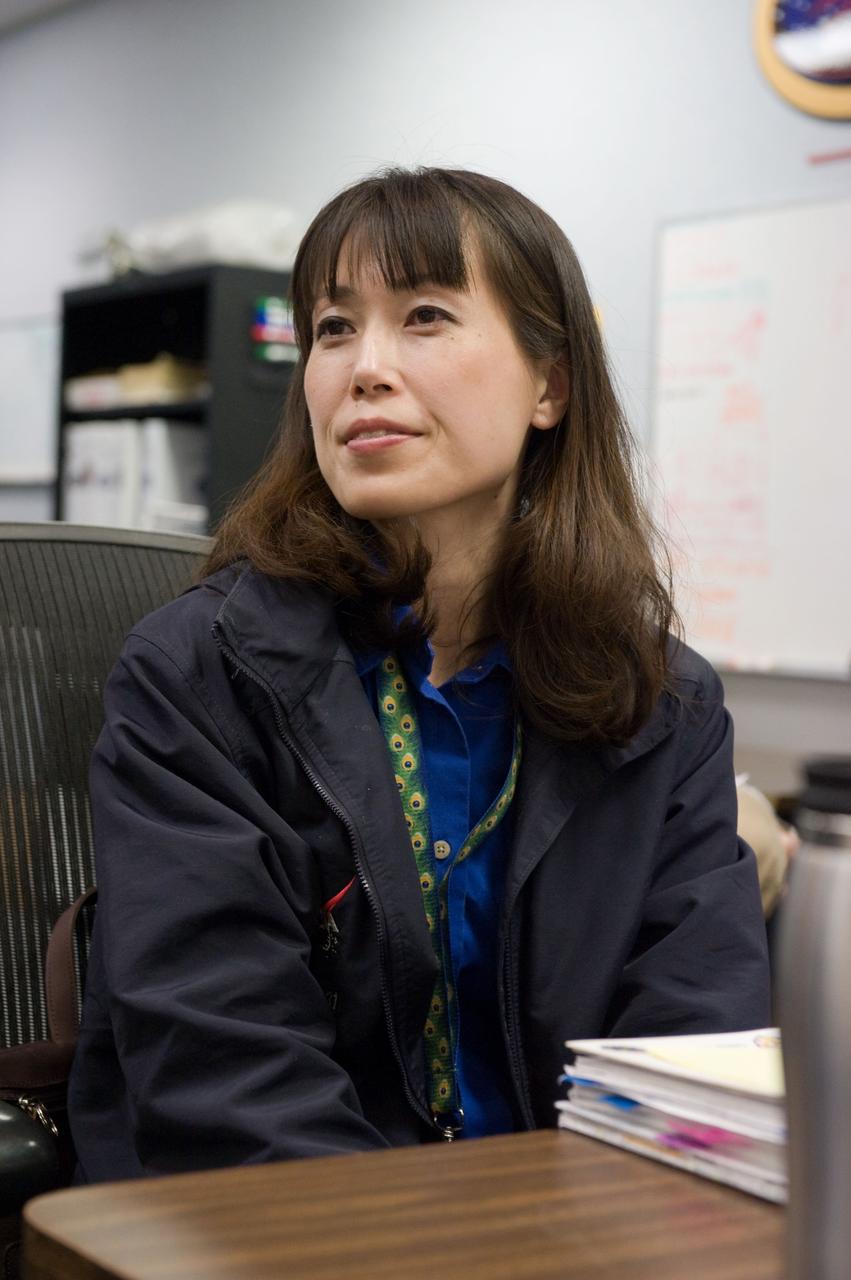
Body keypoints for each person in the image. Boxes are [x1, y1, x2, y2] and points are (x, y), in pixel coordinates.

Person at [68, 166, 770, 1181]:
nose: (364, 368)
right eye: (333, 328)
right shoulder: (195, 675)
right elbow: (223, 1073)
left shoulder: (663, 702)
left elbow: (691, 1052)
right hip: (280, 1223)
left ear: (549, 386)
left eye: (425, 316)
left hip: (578, 1227)